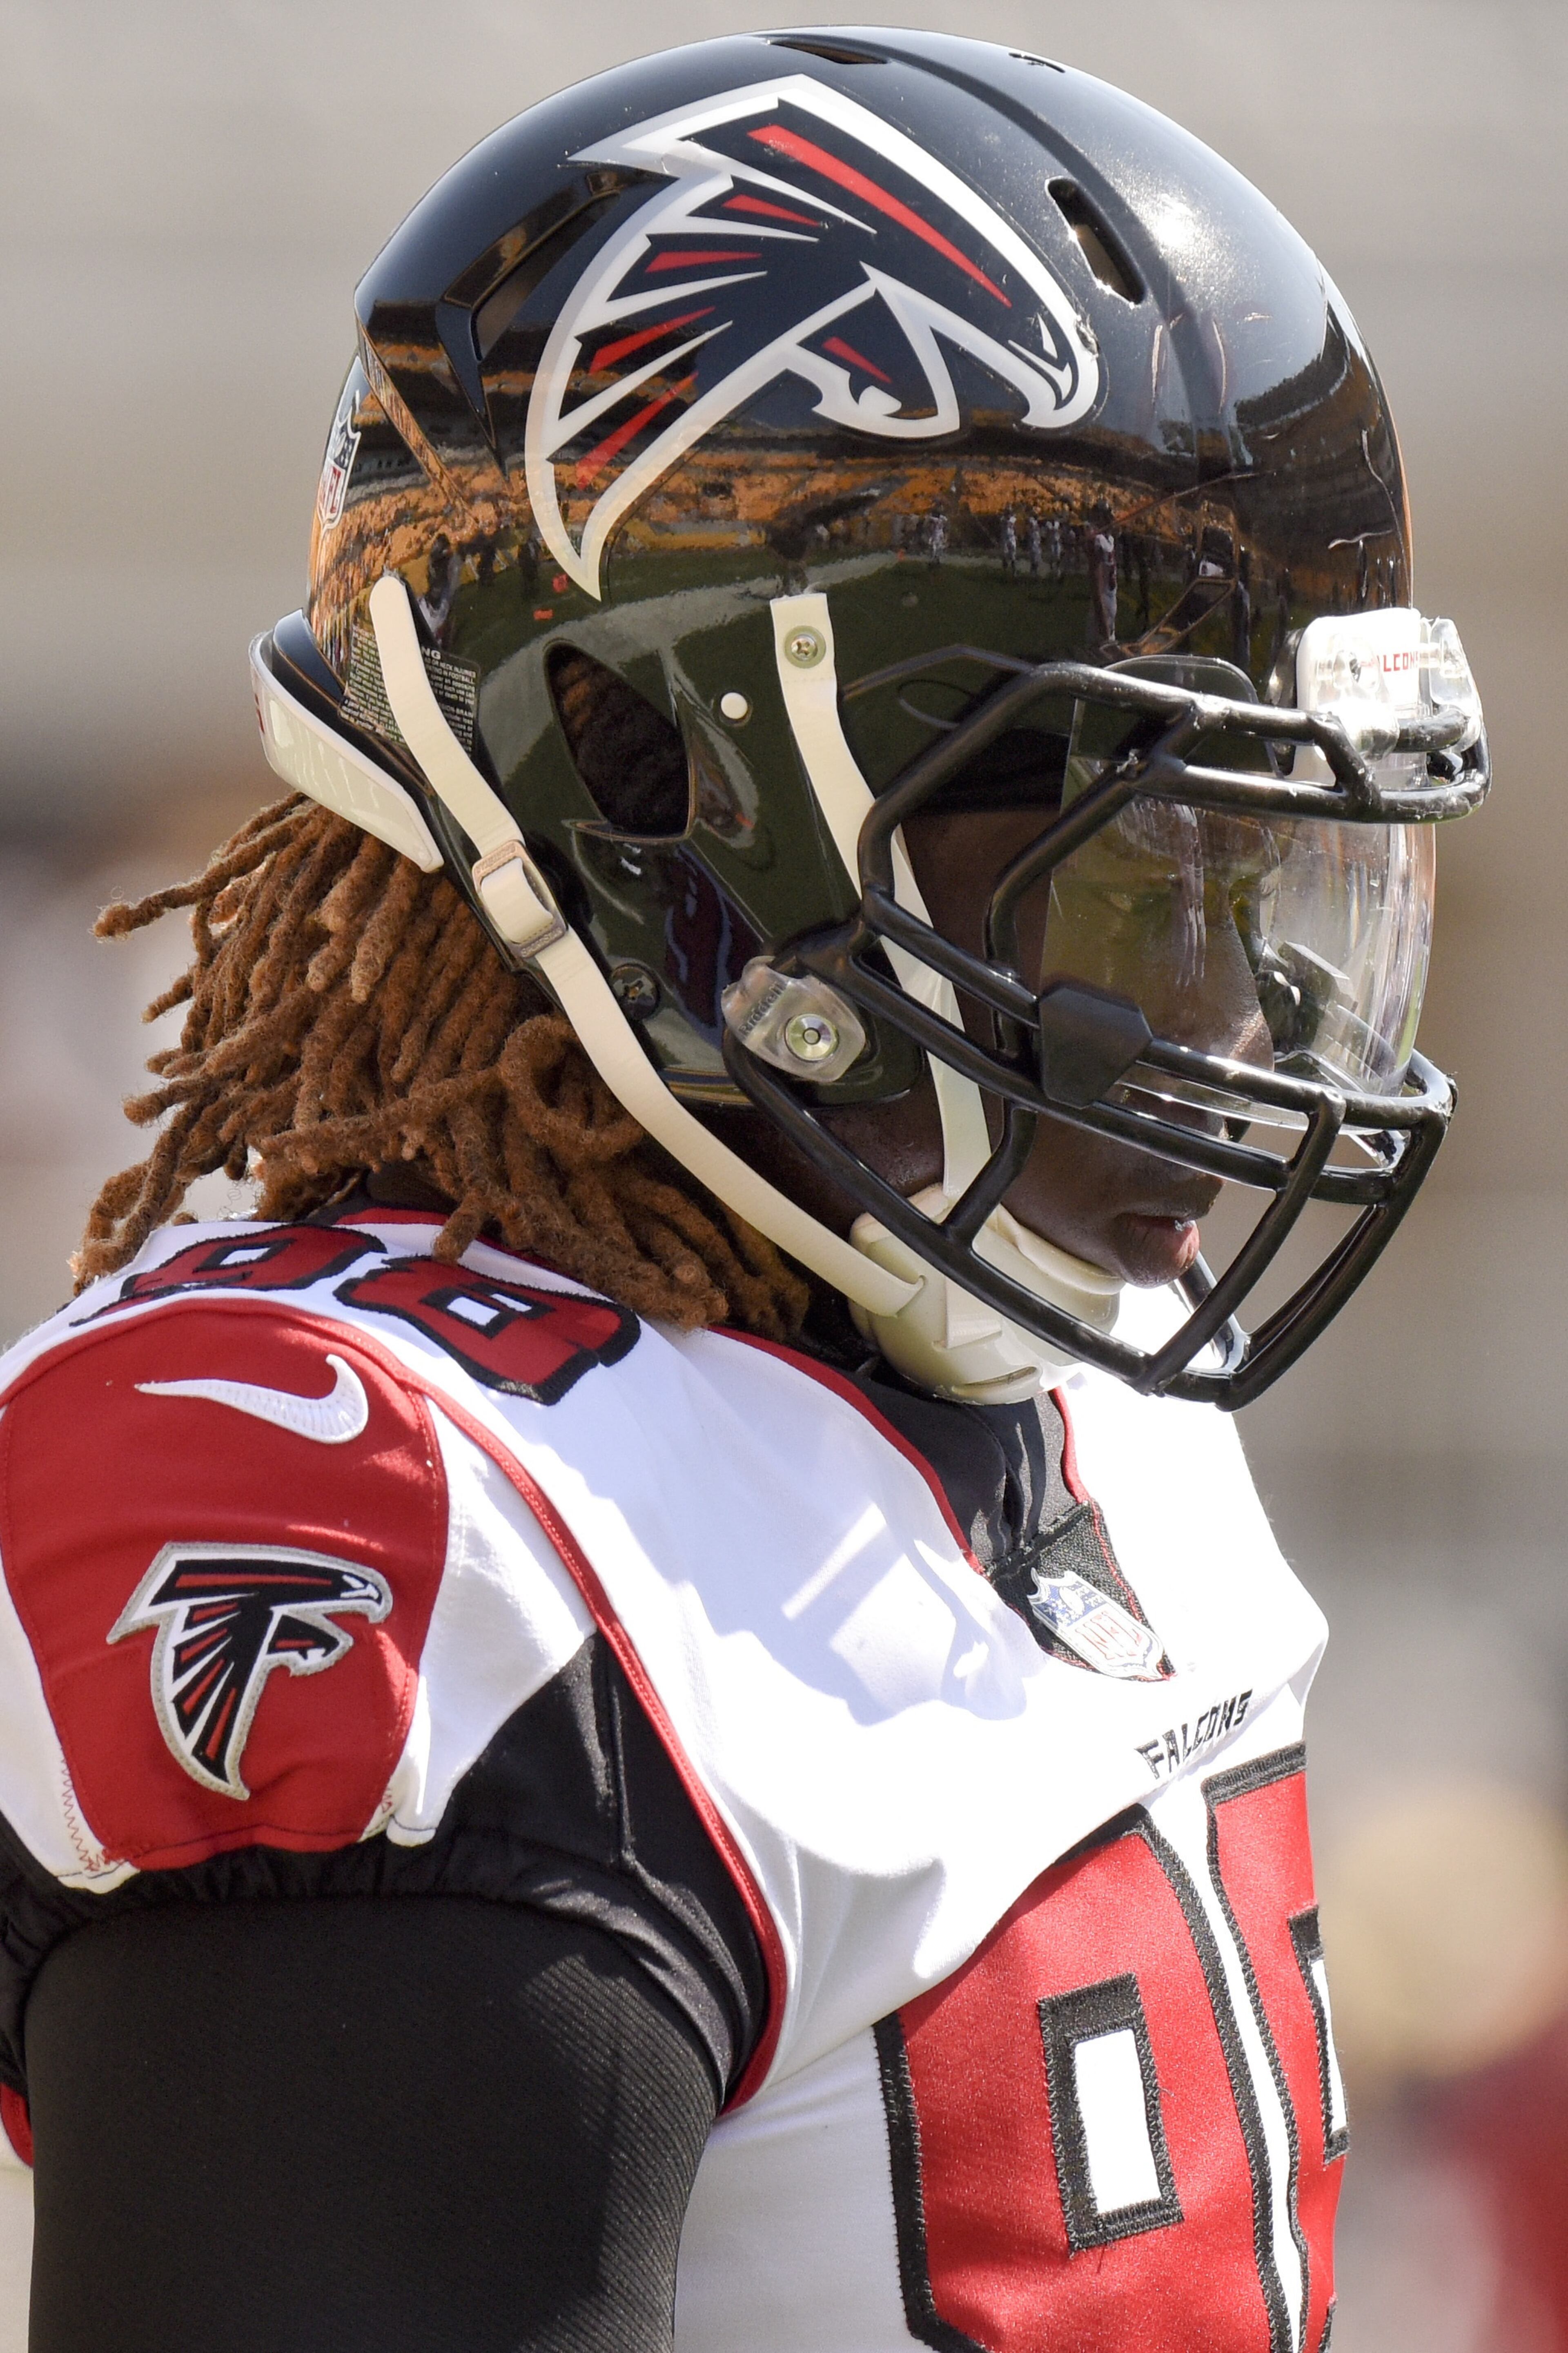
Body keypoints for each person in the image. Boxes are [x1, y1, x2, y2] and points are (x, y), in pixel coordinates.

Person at [0, 29, 1488, 2353]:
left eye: (1266, 880)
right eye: (1119, 886)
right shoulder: (406, 1512)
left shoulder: (1044, 1362)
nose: (1220, 1016)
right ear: (652, 772)